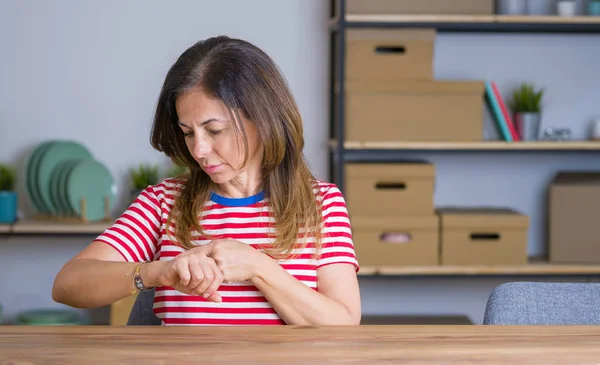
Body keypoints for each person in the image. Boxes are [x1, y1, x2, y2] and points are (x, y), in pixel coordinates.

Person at [52, 35, 361, 326]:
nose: (198, 149)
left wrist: (258, 268)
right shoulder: (164, 203)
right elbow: (68, 284)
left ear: (263, 119)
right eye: (188, 133)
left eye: (214, 130)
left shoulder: (321, 204)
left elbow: (344, 322)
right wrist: (156, 272)